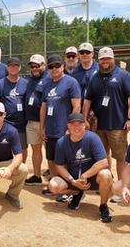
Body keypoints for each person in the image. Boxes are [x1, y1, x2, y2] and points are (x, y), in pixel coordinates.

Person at [82, 47, 130, 203]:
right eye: (102, 59)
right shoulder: (94, 77)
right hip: (98, 125)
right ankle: (107, 184)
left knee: (121, 157)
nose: (105, 61)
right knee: (103, 156)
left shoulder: (123, 75)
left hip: (118, 124)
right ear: (98, 61)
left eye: (108, 58)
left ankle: (120, 188)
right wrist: (85, 118)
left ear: (113, 58)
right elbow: (87, 100)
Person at [48, 113, 113, 222]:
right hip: (73, 176)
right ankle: (77, 193)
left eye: (80, 124)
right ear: (68, 126)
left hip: (90, 178)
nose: (76, 127)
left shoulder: (93, 138)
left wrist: (85, 175)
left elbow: (103, 162)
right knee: (53, 185)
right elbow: (59, 166)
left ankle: (103, 206)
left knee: (106, 174)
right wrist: (72, 181)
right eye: (73, 124)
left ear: (84, 126)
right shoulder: (61, 142)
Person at [40, 54, 81, 198]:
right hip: (50, 129)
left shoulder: (71, 82)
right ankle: (54, 182)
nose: (54, 69)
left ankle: (67, 188)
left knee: (64, 161)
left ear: (62, 66)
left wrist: (70, 128)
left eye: (57, 66)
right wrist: (42, 128)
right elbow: (43, 108)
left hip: (64, 130)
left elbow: (76, 107)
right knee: (51, 158)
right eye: (51, 67)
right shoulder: (47, 84)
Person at [0, 57, 28, 163]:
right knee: (2, 146)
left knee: (22, 148)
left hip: (21, 122)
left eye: (16, 66)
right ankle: (1, 168)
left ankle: (22, 167)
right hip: (5, 122)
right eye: (11, 66)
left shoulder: (25, 83)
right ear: (7, 68)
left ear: (20, 67)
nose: (13, 68)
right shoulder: (0, 84)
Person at [24, 54, 52, 186]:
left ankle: (54, 176)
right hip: (31, 120)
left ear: (43, 65)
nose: (34, 68)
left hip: (46, 122)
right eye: (32, 66)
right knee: (35, 148)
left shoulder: (49, 78)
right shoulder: (30, 78)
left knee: (51, 150)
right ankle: (36, 175)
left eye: (37, 66)